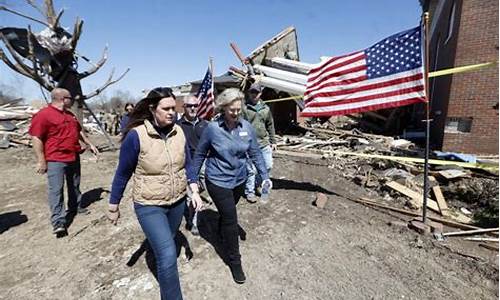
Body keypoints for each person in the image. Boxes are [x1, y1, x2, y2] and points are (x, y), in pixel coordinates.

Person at [107, 87, 203, 300]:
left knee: (166, 241)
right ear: (152, 109)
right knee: (168, 255)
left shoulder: (179, 132)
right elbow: (122, 173)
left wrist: (194, 189)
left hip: (177, 201)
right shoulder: (136, 136)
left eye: (174, 108)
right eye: (166, 108)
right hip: (149, 204)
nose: (172, 112)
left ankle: (157, 248)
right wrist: (113, 205)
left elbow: (188, 164)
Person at [192, 88, 270, 284]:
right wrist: (193, 179)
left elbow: (255, 153)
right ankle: (235, 262)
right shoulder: (212, 129)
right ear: (223, 108)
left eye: (238, 109)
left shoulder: (246, 127)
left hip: (239, 180)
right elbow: (200, 154)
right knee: (230, 218)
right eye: (231, 109)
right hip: (217, 180)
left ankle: (220, 227)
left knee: (228, 213)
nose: (236, 113)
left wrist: (265, 176)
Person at [28, 88, 99, 237]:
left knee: (74, 184)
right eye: (70, 98)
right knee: (56, 190)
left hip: (73, 155)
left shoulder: (69, 114)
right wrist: (41, 160)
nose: (72, 100)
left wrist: (89, 143)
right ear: (62, 99)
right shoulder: (43, 115)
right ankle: (59, 221)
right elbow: (36, 138)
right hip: (55, 159)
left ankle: (75, 207)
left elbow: (78, 130)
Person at [177, 95, 209, 235]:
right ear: (184, 107)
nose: (193, 108)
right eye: (189, 106)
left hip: (204, 163)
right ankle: (193, 221)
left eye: (195, 105)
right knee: (192, 193)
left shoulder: (205, 125)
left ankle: (190, 201)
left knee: (203, 187)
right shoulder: (177, 126)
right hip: (187, 164)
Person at [241, 83, 277, 203]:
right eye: (252, 92)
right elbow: (239, 126)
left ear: (260, 93)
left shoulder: (265, 109)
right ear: (249, 93)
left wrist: (273, 141)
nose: (254, 95)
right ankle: (249, 192)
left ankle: (258, 185)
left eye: (256, 92)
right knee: (251, 170)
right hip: (250, 144)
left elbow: (270, 125)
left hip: (264, 143)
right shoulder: (244, 109)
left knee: (268, 166)